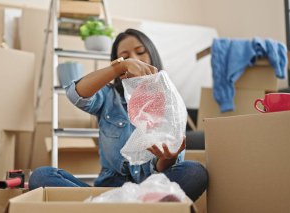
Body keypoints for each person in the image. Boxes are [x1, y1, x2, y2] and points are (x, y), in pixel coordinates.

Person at [29, 28, 208, 202]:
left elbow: (165, 168)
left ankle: (107, 208)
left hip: (151, 191)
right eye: (125, 56)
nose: (135, 60)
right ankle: (121, 208)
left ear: (152, 55)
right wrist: (119, 67)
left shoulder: (171, 102)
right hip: (108, 190)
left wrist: (166, 159)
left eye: (140, 52)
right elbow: (75, 95)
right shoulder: (109, 96)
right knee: (41, 176)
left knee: (194, 172)